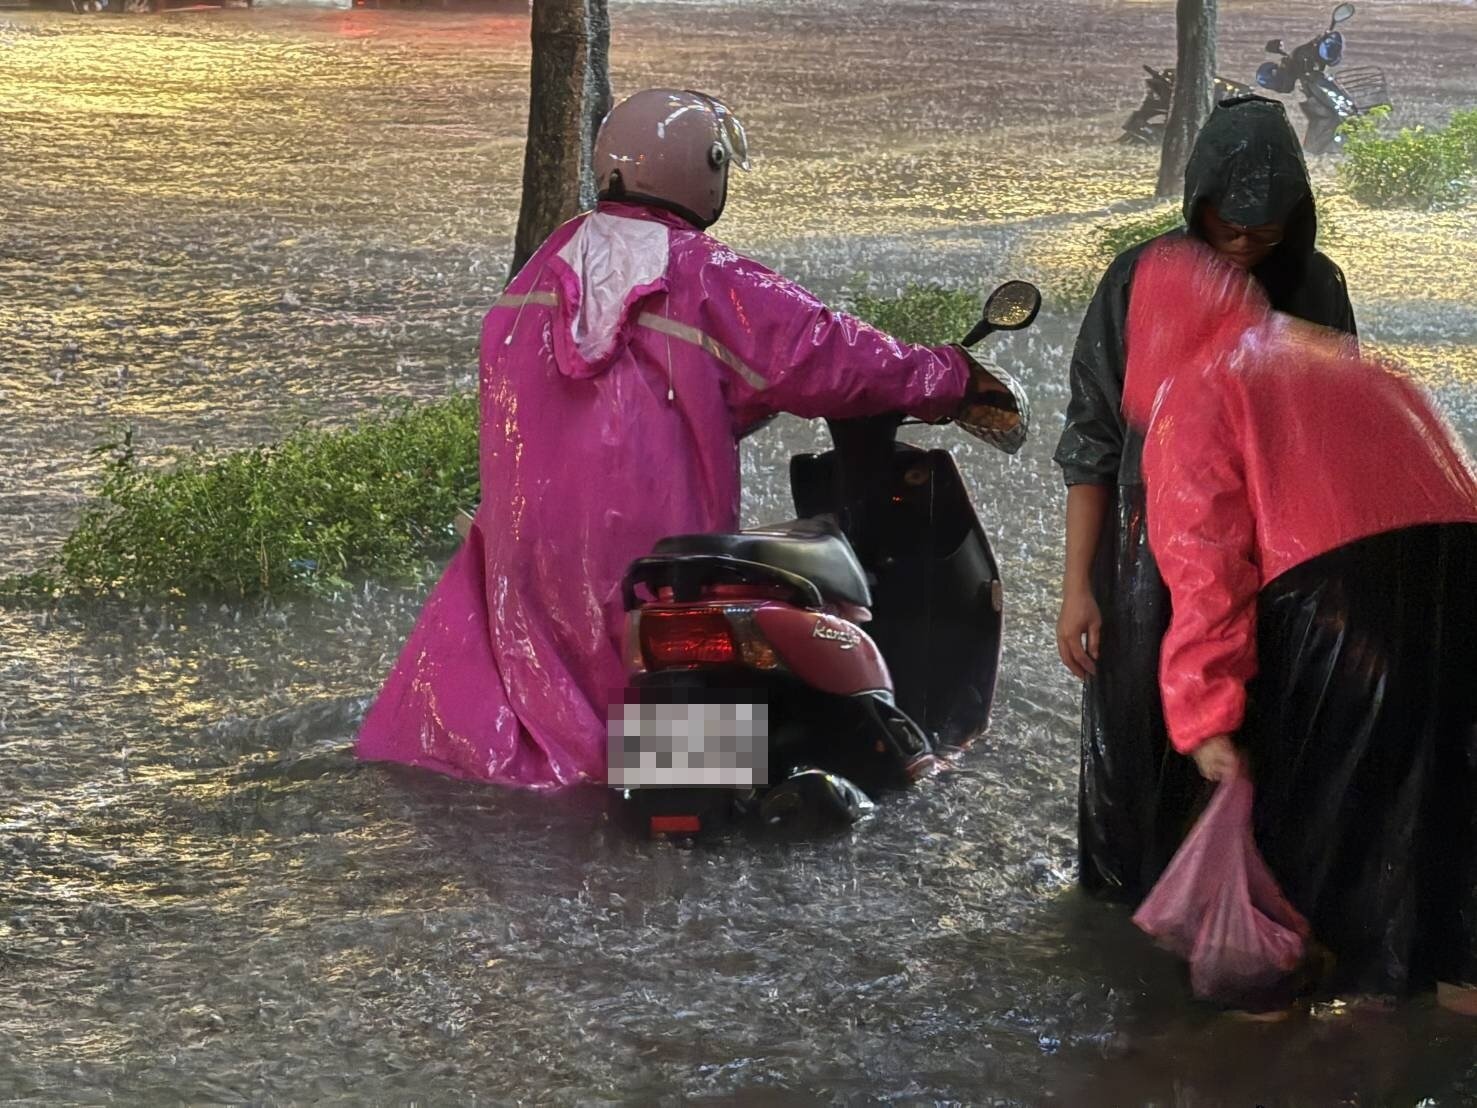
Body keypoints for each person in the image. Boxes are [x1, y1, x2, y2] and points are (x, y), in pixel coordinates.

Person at [355, 89, 1024, 788]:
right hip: (659, 564)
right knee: (693, 727)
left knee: (562, 721)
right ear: (704, 169)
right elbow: (825, 350)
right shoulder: (704, 275)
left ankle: (592, 782)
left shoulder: (539, 274)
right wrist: (949, 377)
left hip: (531, 562)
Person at [1126, 237, 1477, 1003]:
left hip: (1337, 604)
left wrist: (1204, 713)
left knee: (1327, 853)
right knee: (1448, 839)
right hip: (1461, 582)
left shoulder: (1198, 384)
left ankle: (1332, 1032)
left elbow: (1205, 562)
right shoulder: (1340, 357)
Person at [1054, 95, 1357, 901]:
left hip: (1280, 545)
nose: (1246, 245)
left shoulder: (1316, 286)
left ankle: (1244, 905)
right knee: (1140, 730)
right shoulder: (1139, 279)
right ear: (1197, 202)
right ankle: (1129, 906)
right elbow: (1092, 439)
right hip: (1145, 546)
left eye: (1266, 230)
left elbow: (1335, 435)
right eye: (1229, 226)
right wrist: (1077, 586)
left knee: (1263, 734)